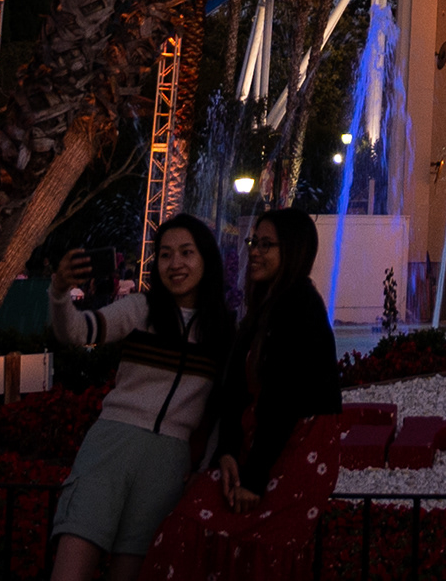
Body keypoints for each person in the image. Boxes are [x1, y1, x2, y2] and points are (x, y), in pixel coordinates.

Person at [45, 215, 232, 581]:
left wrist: (203, 468)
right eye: (164, 255)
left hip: (168, 462)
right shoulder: (141, 310)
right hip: (112, 445)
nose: (175, 263)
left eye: (186, 253)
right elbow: (79, 331)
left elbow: (222, 412)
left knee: (131, 570)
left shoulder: (222, 331)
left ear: (206, 259)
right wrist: (59, 291)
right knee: (72, 566)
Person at [212, 209, 343, 501]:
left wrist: (254, 479)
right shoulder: (264, 309)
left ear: (293, 249)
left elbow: (284, 398)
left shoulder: (300, 308)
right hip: (260, 453)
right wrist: (227, 451)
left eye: (266, 245)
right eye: (254, 242)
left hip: (290, 456)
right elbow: (236, 389)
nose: (255, 252)